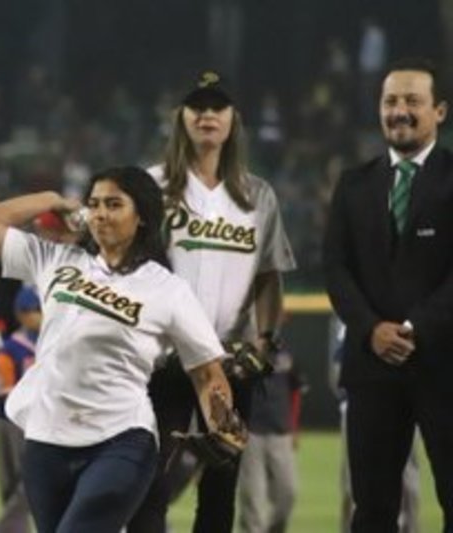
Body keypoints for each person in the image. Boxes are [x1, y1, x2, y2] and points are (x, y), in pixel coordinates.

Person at [0, 166, 246, 533]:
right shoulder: (56, 261)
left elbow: (207, 372)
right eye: (95, 204)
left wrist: (221, 422)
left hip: (120, 440)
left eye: (114, 204)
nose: (100, 213)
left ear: (142, 216)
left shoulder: (167, 289)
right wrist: (52, 201)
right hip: (46, 440)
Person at [128, 70, 296, 533]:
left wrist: (265, 341)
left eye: (217, 106)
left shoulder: (257, 194)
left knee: (220, 490)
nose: (207, 114)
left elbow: (269, 276)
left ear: (233, 119)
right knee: (151, 486)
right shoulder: (151, 186)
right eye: (197, 106)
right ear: (180, 117)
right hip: (161, 359)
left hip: (229, 362)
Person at [323, 57, 453, 532]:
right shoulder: (353, 183)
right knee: (373, 509)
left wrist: (415, 327)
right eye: (390, 101)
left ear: (439, 111)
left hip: (444, 365)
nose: (400, 110)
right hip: (372, 367)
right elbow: (335, 268)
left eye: (412, 101)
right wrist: (371, 329)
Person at [328, 315, 420, 533]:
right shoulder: (347, 320)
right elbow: (336, 369)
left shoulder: (408, 310)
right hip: (360, 401)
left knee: (408, 483)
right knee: (357, 485)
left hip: (408, 399)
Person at [236, 337, 307, 533]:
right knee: (253, 500)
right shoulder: (242, 350)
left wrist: (294, 426)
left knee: (288, 493)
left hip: (281, 432)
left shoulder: (287, 353)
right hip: (250, 433)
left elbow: (296, 391)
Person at [0, 287, 41, 533]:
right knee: (11, 483)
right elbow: (3, 391)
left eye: (37, 311)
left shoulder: (53, 344)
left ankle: (4, 528)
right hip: (12, 420)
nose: (34, 316)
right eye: (29, 311)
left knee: (31, 480)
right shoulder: (12, 348)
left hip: (42, 423)